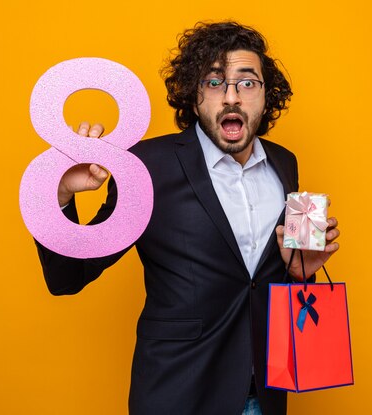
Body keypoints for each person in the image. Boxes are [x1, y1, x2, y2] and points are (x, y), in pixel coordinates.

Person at [36, 21, 340, 415]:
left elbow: (264, 284)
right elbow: (67, 278)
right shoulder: (148, 166)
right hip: (178, 396)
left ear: (267, 96)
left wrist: (301, 272)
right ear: (194, 98)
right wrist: (60, 195)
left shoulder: (284, 164)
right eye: (214, 83)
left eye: (247, 83)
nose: (232, 97)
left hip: (262, 395)